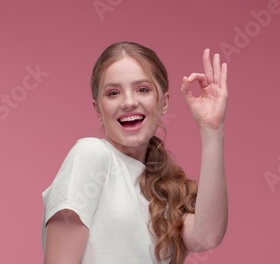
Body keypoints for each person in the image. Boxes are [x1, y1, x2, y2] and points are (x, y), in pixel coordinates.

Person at [42, 41, 228, 264]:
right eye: (113, 93)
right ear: (98, 109)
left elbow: (207, 237)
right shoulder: (91, 155)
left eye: (143, 89)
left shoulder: (164, 192)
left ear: (164, 102)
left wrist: (212, 130)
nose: (129, 102)